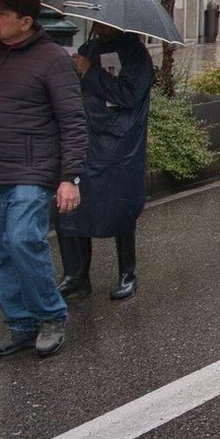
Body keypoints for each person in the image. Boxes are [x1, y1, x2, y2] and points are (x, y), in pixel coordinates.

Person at [0, 0, 86, 358]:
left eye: (2, 13)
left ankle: (49, 316)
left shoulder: (51, 59)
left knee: (21, 241)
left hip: (32, 171)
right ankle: (21, 325)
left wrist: (70, 177)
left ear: (26, 22)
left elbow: (74, 121)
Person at [55, 25, 153, 301]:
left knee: (120, 204)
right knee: (73, 205)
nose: (98, 26)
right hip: (87, 137)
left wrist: (90, 71)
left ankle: (127, 272)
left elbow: (129, 95)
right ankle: (76, 275)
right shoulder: (90, 47)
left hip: (119, 142)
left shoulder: (136, 54)